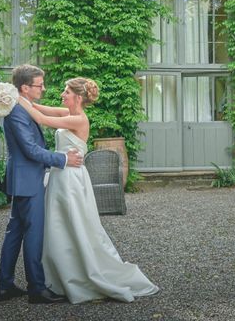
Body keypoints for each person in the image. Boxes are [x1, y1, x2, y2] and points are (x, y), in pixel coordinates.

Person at [18, 77, 160, 303]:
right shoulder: (67, 113)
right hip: (59, 176)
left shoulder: (79, 120)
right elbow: (38, 108)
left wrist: (15, 98)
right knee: (58, 224)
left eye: (66, 92)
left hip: (72, 180)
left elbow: (42, 119)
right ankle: (60, 273)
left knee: (76, 223)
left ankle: (83, 273)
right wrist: (18, 97)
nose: (62, 95)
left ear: (78, 96)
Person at [0, 64, 84, 304]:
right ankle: (37, 288)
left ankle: (5, 286)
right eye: (39, 84)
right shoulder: (16, 112)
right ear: (25, 88)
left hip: (24, 178)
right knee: (33, 233)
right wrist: (63, 159)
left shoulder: (24, 106)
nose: (44, 88)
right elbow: (31, 149)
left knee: (15, 232)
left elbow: (45, 118)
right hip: (28, 179)